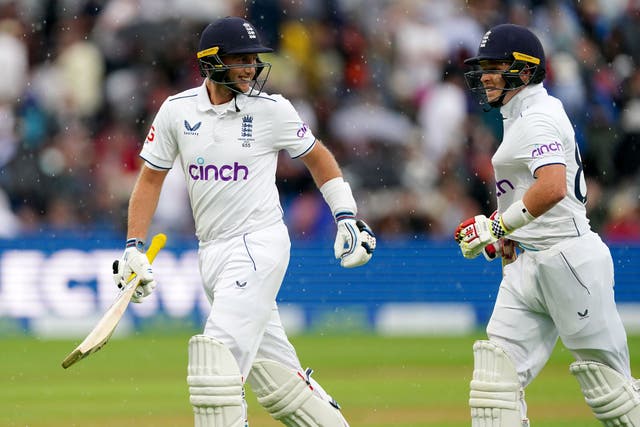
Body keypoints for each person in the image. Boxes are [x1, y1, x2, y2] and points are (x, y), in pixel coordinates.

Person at [111, 16, 376, 427]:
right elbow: (150, 179)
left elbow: (317, 156)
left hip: (259, 243)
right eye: (241, 59)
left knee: (213, 367)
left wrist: (346, 215)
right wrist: (133, 247)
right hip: (211, 254)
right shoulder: (176, 111)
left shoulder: (273, 110)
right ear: (211, 62)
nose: (251, 68)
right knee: (279, 382)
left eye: (254, 59)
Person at [454, 23, 640, 426]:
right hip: (529, 263)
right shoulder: (517, 114)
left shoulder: (538, 115)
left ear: (523, 71)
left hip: (568, 261)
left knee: (615, 397)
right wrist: (507, 235)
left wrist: (498, 226)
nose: (484, 75)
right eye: (482, 66)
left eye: (494, 66)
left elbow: (553, 186)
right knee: (493, 390)